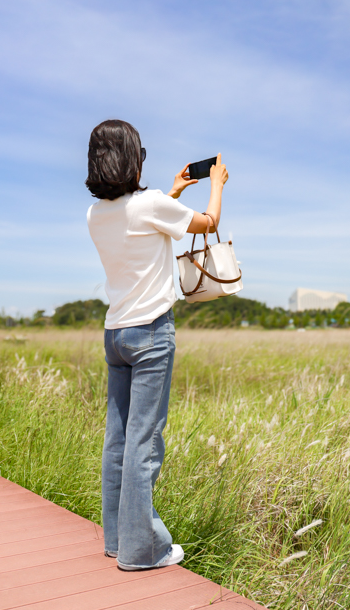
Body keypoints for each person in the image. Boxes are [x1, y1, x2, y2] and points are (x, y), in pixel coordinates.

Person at [85, 119, 229, 570]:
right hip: (150, 335)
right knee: (144, 443)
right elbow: (209, 224)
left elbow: (143, 223)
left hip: (115, 334)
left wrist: (174, 191)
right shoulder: (148, 205)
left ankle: (117, 540)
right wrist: (216, 185)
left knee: (118, 441)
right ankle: (144, 550)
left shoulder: (97, 215)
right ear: (133, 158)